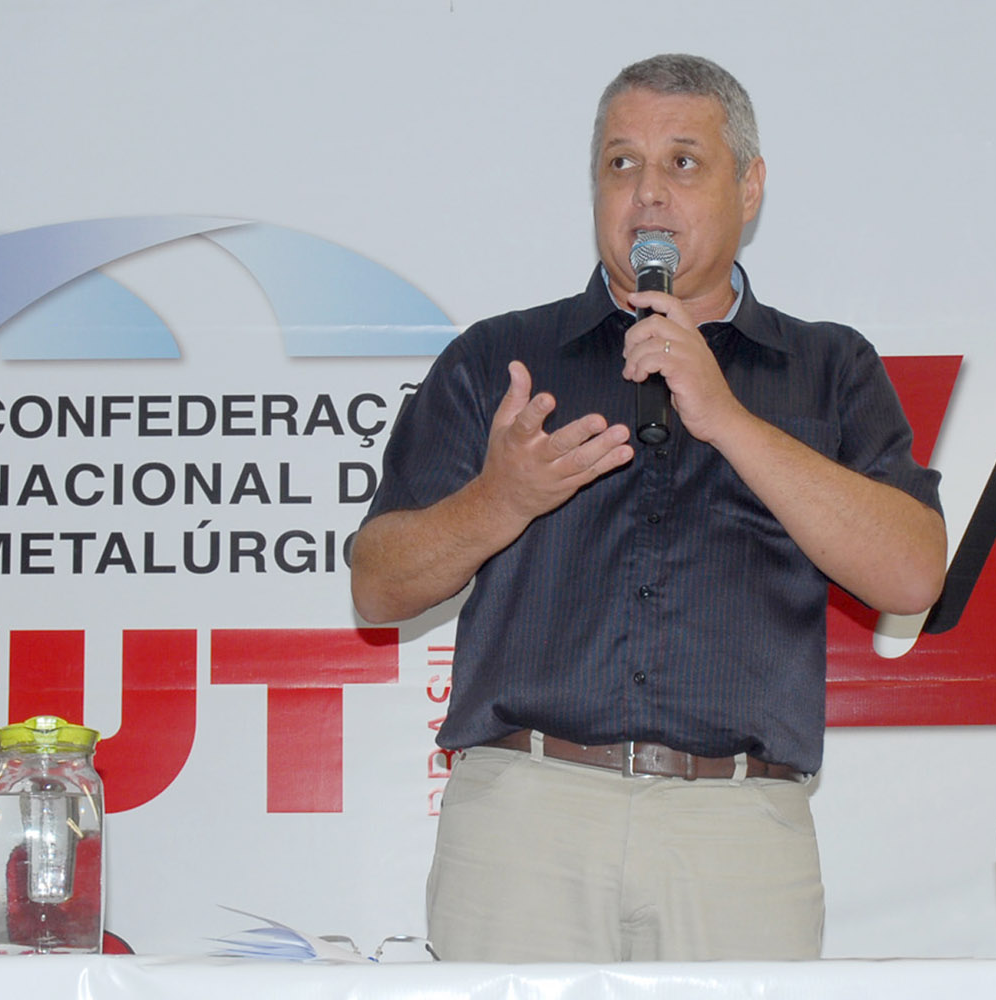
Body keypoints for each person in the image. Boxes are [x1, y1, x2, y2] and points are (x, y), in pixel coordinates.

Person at [350, 53, 947, 963]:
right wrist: (501, 500)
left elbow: (912, 575)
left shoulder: (830, 368)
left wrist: (729, 418)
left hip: (737, 829)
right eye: (621, 163)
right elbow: (377, 587)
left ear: (750, 187)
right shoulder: (502, 360)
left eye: (683, 162)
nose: (648, 194)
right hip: (526, 818)